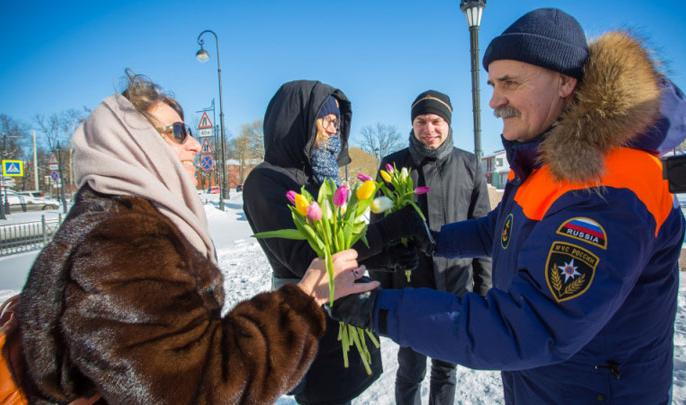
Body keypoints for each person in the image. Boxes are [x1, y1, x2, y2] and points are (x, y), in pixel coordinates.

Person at [331, 8, 686, 404]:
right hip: (540, 384)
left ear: (565, 82)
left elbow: (528, 326)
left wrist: (376, 307)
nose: (495, 100)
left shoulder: (613, 183)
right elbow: (499, 228)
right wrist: (432, 241)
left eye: (510, 83)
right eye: (492, 84)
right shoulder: (544, 164)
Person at [11, 71, 379, 404]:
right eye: (177, 132)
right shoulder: (123, 238)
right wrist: (302, 300)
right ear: (132, 142)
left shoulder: (122, 218)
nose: (196, 145)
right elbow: (192, 387)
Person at [243, 80, 432, 405]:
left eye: (339, 122)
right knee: (323, 394)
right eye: (328, 120)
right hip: (309, 322)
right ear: (298, 120)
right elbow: (309, 260)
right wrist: (387, 232)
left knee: (344, 389)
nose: (336, 129)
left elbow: (343, 246)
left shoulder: (321, 177)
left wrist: (388, 257)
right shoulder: (265, 181)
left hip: (344, 314)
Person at [371, 90, 492, 404]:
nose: (429, 128)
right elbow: (377, 227)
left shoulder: (469, 165)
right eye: (421, 121)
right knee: (410, 368)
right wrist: (382, 284)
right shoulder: (392, 165)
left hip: (455, 286)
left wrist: (483, 291)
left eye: (436, 120)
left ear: (448, 123)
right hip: (411, 287)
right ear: (412, 125)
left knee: (446, 368)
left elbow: (483, 234)